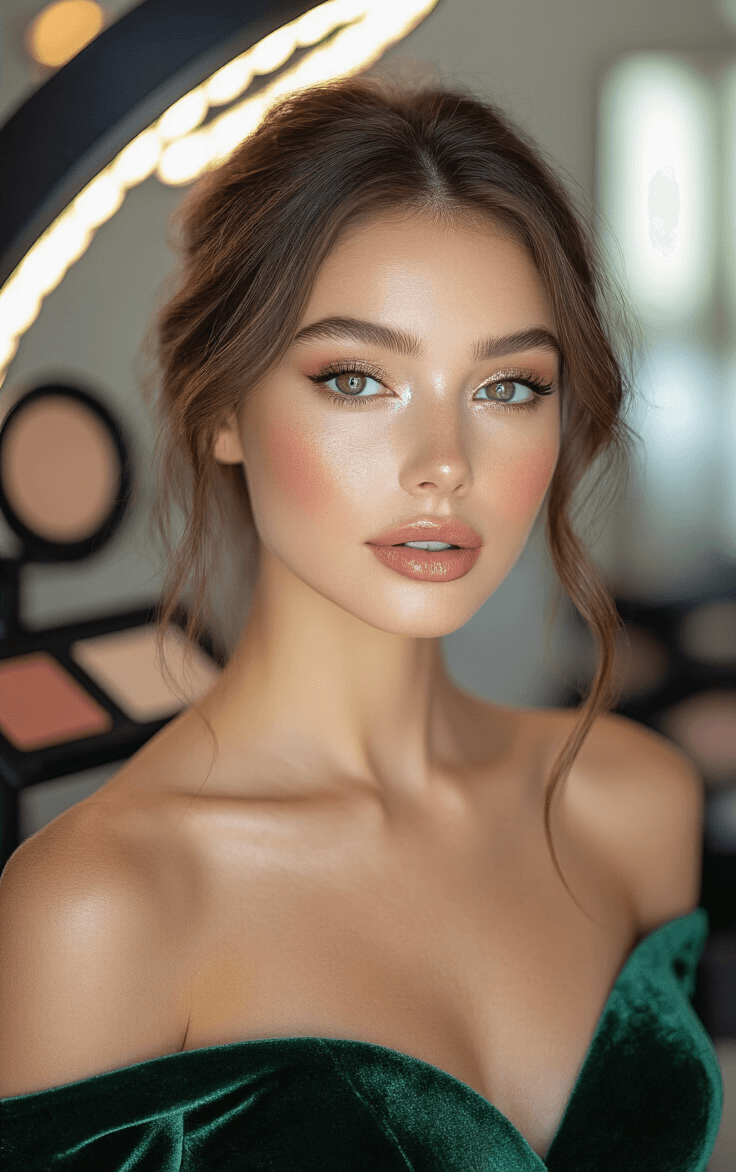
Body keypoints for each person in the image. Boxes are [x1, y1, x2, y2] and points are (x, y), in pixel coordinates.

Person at [0, 75, 723, 1169]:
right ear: (223, 411)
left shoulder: (631, 803)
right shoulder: (97, 909)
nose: (444, 464)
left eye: (508, 388)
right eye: (356, 378)